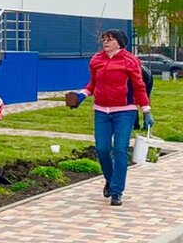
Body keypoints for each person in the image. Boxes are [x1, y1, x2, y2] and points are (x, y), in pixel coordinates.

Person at [65, 29, 152, 206]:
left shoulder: (130, 61)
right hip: (101, 111)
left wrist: (146, 111)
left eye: (110, 40)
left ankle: (117, 191)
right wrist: (81, 96)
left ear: (119, 42)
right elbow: (92, 84)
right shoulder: (97, 59)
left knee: (120, 149)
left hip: (124, 111)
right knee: (102, 148)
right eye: (104, 39)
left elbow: (139, 86)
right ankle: (110, 179)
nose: (105, 42)